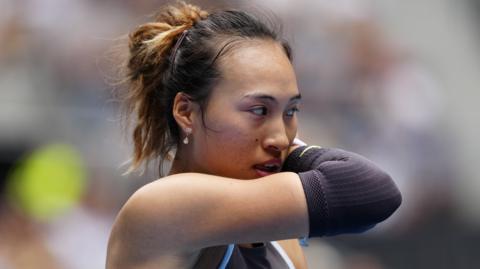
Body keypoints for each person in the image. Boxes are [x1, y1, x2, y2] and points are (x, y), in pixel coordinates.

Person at [106, 2, 402, 268]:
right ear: (186, 112)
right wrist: (297, 154)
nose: (279, 138)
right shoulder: (162, 207)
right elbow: (371, 192)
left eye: (290, 111)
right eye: (259, 110)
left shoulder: (281, 241)